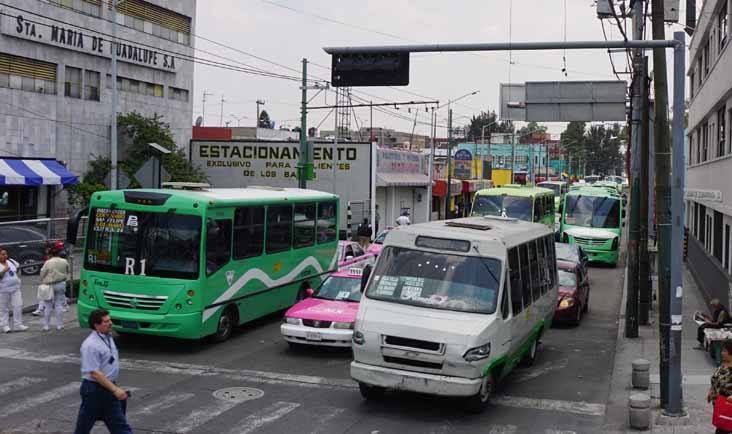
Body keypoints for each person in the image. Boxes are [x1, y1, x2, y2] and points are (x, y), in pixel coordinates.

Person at [74, 309, 133, 434]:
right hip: (94, 391)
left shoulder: (107, 336)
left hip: (107, 388)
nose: (110, 323)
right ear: (96, 325)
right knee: (83, 427)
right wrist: (115, 390)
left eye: (109, 320)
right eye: (106, 321)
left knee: (120, 426)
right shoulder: (90, 345)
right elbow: (94, 373)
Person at [39, 244, 70, 331]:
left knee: (48, 306)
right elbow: (68, 271)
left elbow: (42, 273)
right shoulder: (64, 261)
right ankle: (59, 325)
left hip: (49, 285)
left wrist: (43, 280)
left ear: (50, 254)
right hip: (60, 283)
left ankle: (46, 325)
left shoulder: (48, 262)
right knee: (59, 304)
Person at [0, 248, 28, 333]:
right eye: (2, 254)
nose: (5, 256)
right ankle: (4, 325)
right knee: (3, 308)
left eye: (6, 254)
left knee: (18, 305)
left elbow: (17, 270)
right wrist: (4, 271)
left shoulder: (11, 261)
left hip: (15, 288)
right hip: (3, 290)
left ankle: (18, 325)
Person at [709, 340, 732, 434]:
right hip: (719, 403)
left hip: (729, 404)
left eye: (724, 351)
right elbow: (716, 380)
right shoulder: (724, 364)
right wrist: (711, 392)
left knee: (724, 428)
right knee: (722, 426)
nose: (722, 353)